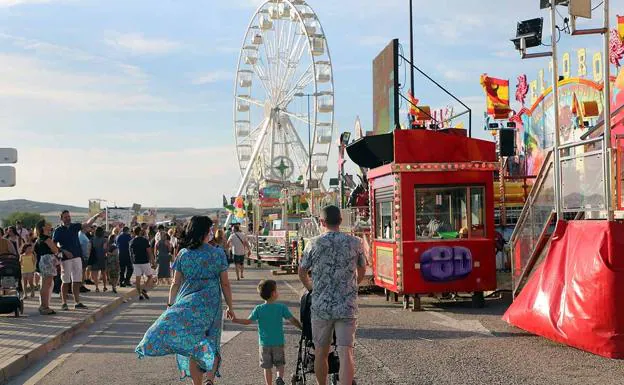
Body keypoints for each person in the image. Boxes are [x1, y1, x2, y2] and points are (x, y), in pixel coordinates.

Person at [135, 216, 235, 385]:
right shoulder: (217, 253)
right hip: (212, 304)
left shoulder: (183, 254)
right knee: (212, 341)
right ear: (205, 232)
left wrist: (170, 305)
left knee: (193, 345)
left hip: (187, 303)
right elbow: (225, 283)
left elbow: (175, 283)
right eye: (210, 229)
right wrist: (230, 307)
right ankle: (209, 380)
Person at [298, 205, 367, 385]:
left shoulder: (313, 243)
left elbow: (302, 271)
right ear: (341, 221)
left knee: (321, 351)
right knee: (346, 352)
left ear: (322, 222)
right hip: (347, 306)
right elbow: (362, 269)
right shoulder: (355, 242)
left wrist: (311, 288)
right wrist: (353, 285)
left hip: (321, 307)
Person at [232, 280, 302, 385]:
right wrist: (302, 328)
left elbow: (247, 321)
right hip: (278, 342)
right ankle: (279, 378)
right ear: (273, 293)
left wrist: (235, 320)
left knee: (267, 367)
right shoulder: (281, 307)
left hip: (264, 344)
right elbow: (292, 320)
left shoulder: (258, 309)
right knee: (279, 364)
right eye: (277, 290)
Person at [53, 210, 101, 310]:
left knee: (76, 281)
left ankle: (77, 302)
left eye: (69, 216)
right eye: (65, 217)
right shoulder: (58, 230)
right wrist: (63, 251)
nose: (68, 218)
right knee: (65, 281)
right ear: (61, 218)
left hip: (77, 257)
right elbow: (54, 244)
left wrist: (96, 216)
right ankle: (64, 303)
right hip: (66, 259)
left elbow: (87, 224)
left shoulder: (75, 226)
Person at [34, 219, 61, 315]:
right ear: (43, 227)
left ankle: (43, 305)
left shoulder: (38, 239)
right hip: (48, 261)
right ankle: (44, 306)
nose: (49, 225)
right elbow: (55, 249)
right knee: (47, 284)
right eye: (47, 224)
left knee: (45, 284)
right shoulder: (46, 239)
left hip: (42, 261)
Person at [129, 226, 154, 300]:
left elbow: (130, 253)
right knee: (150, 276)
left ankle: (139, 294)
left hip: (136, 262)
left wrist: (132, 262)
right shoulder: (145, 240)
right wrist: (153, 261)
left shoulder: (131, 241)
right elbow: (149, 252)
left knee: (138, 279)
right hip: (145, 261)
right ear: (140, 232)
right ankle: (144, 289)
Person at [89, 226, 108, 292]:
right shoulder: (104, 239)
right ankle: (105, 286)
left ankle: (97, 287)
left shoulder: (92, 239)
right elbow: (105, 249)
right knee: (103, 273)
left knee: (95, 274)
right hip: (102, 257)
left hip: (94, 257)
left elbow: (89, 249)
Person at [78, 225, 92, 291]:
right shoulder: (80, 235)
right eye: (88, 227)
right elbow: (79, 245)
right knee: (82, 272)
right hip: (82, 256)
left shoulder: (83, 234)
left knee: (83, 271)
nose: (89, 228)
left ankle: (82, 285)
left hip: (85, 256)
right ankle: (80, 286)